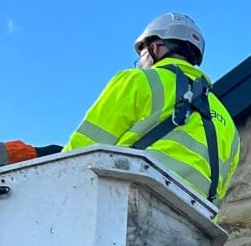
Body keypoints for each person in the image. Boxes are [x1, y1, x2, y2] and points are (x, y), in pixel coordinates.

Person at [64, 13, 240, 206]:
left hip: (124, 203)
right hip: (190, 229)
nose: (141, 63)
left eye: (141, 55)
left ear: (154, 47)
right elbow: (217, 196)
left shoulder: (138, 81)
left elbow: (81, 150)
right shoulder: (229, 125)